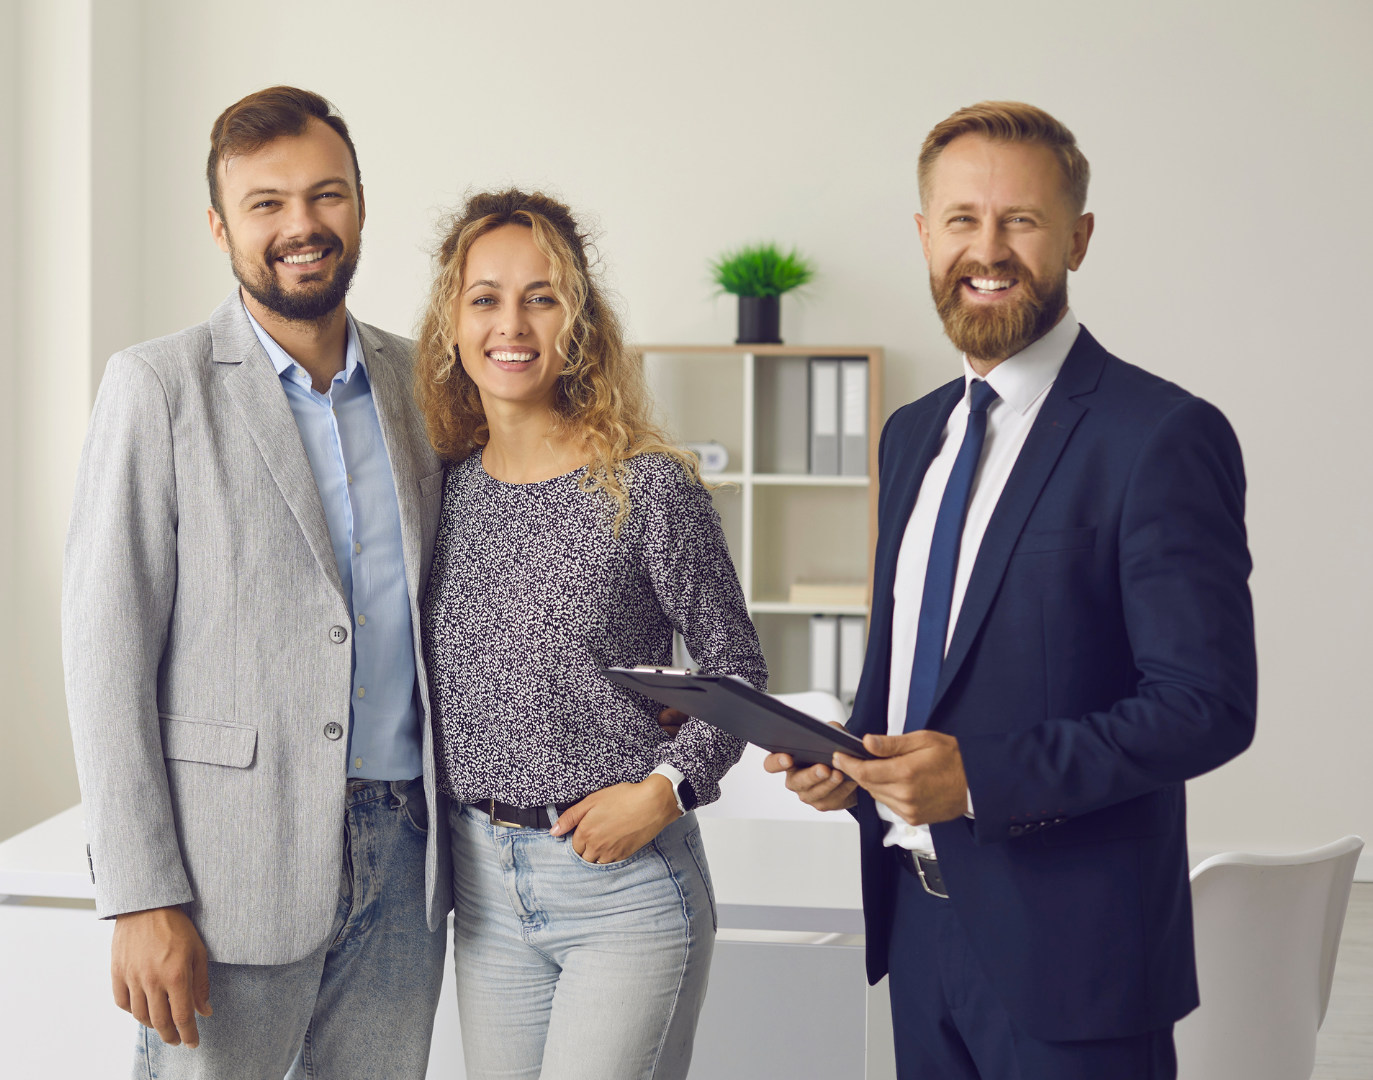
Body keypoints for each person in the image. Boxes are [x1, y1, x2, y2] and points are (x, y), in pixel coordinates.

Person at [766, 101, 1255, 1079]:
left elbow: (1207, 708)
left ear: (1077, 236)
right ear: (922, 235)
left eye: (1019, 221)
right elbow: (923, 669)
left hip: (1075, 963)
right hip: (916, 932)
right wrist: (850, 761)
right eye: (960, 220)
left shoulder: (1159, 436)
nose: (986, 251)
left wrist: (981, 779)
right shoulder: (913, 433)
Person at [61, 86, 449, 1079]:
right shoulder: (158, 388)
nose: (302, 226)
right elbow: (105, 657)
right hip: (226, 870)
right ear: (220, 225)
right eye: (267, 203)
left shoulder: (428, 387)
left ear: (360, 205)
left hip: (409, 857)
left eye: (325, 195)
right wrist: (141, 896)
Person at [416, 189, 767, 1080]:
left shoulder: (646, 487)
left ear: (579, 320)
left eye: (542, 296)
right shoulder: (439, 490)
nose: (513, 323)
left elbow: (737, 669)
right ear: (452, 324)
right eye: (485, 297)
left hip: (624, 894)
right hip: (483, 892)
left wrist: (666, 791)